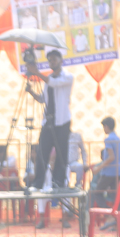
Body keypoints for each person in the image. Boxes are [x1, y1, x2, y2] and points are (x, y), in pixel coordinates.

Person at [26, 50, 73, 193]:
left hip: (62, 121)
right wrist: (31, 92)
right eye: (50, 60)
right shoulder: (49, 79)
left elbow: (54, 83)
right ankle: (38, 183)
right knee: (42, 151)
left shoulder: (68, 77)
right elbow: (42, 99)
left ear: (60, 61)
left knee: (61, 153)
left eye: (54, 60)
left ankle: (58, 183)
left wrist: (37, 73)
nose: (52, 62)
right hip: (48, 121)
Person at [89, 115, 120, 211]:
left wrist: (98, 168)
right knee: (115, 196)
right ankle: (116, 215)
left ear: (106, 126)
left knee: (97, 193)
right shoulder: (118, 139)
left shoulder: (108, 139)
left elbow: (111, 157)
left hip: (109, 172)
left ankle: (108, 212)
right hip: (119, 171)